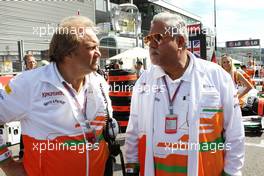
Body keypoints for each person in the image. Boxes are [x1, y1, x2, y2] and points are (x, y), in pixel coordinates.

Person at [125, 12, 245, 176]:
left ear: (180, 41)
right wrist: (131, 168)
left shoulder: (216, 76)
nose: (151, 45)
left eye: (157, 38)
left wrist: (232, 172)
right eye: (148, 39)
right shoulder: (144, 81)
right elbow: (134, 129)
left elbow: (235, 131)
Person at [0, 16, 113, 176]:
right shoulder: (29, 83)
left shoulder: (99, 82)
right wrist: (9, 165)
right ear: (68, 53)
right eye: (91, 47)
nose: (99, 53)